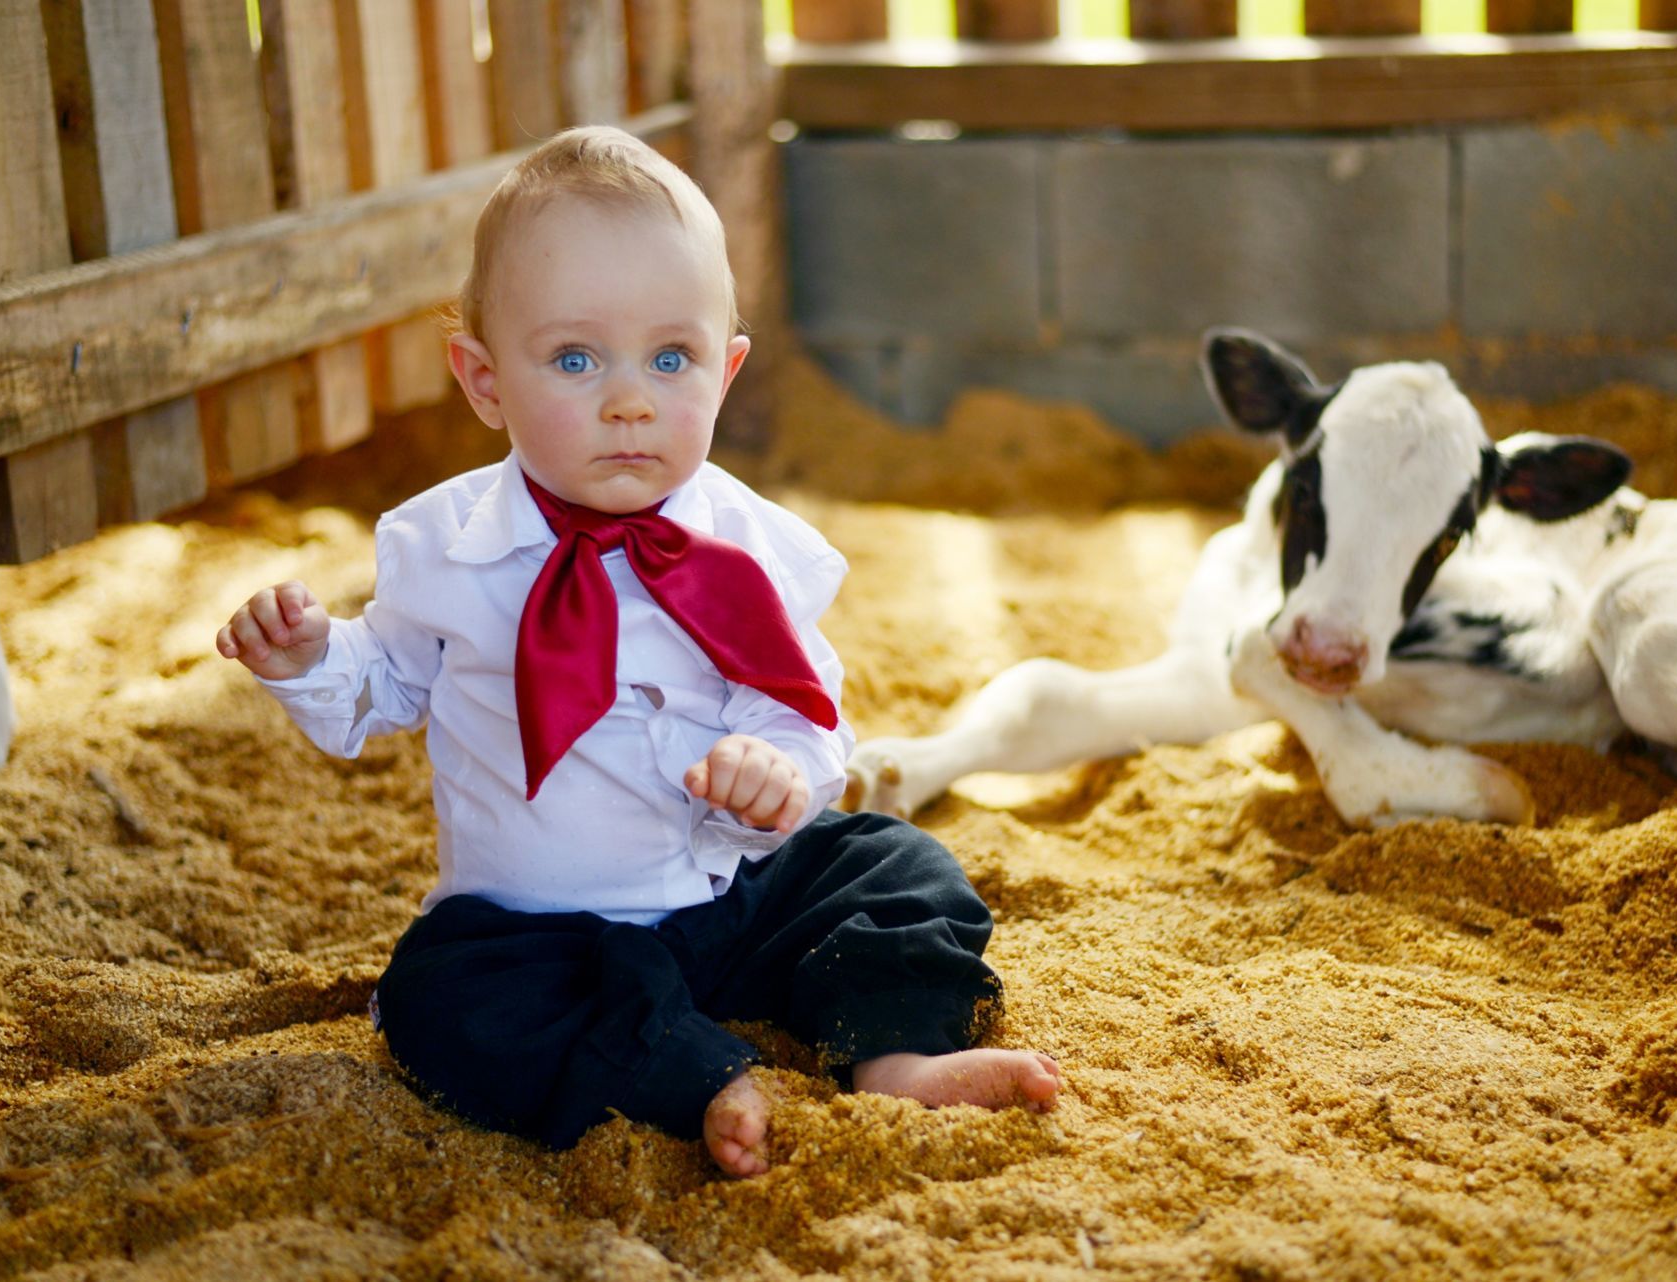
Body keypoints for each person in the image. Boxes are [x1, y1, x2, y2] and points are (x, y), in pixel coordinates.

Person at [216, 126, 1060, 1177]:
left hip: (735, 900)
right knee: (445, 1002)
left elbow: (802, 712)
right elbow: (385, 682)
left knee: (898, 865)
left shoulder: (751, 545)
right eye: (576, 359)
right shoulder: (443, 548)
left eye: (672, 357)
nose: (630, 399)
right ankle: (695, 1075)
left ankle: (894, 1053)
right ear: (483, 381)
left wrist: (777, 773)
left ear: (727, 367)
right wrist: (307, 658)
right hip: (540, 932)